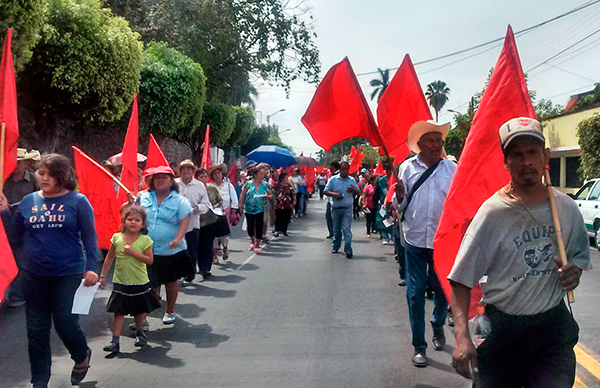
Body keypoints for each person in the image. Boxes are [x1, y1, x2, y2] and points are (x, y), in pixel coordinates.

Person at [449, 117, 590, 387]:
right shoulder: (492, 214)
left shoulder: (566, 209)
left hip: (552, 330)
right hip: (504, 331)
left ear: (545, 156)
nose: (526, 162)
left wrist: (574, 273)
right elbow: (460, 280)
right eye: (517, 154)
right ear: (506, 162)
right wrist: (461, 336)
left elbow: (578, 261)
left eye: (532, 153)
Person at [0, 154, 98, 387]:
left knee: (65, 322)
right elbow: (14, 237)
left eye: (49, 174)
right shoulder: (28, 201)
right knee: (36, 331)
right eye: (41, 173)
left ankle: (81, 355)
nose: (43, 178)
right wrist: (4, 211)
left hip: (68, 273)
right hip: (33, 274)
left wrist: (92, 268)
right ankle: (40, 381)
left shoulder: (78, 202)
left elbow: (90, 239)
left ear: (62, 176)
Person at [393, 120, 455, 367]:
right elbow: (399, 206)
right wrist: (398, 196)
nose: (436, 145)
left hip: (443, 241)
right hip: (415, 239)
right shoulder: (407, 169)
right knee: (415, 293)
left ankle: (438, 323)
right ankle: (419, 346)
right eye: (430, 141)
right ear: (419, 145)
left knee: (442, 291)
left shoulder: (452, 168)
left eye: (439, 141)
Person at [99, 205, 160, 353]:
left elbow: (149, 260)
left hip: (139, 281)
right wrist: (103, 275)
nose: (133, 222)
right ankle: (115, 340)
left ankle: (140, 333)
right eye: (130, 219)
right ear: (124, 221)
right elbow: (109, 257)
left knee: (139, 310)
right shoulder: (117, 238)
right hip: (120, 281)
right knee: (118, 311)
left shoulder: (145, 240)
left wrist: (133, 252)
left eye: (137, 220)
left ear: (143, 224)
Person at [140, 166, 193, 325]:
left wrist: (178, 238)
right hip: (147, 249)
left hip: (171, 250)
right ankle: (142, 318)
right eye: (157, 178)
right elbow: (136, 216)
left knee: (170, 282)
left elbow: (185, 221)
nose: (160, 180)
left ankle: (170, 311)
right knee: (145, 283)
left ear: (171, 181)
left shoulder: (180, 201)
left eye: (164, 177)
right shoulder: (144, 198)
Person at [2, 148, 40, 307]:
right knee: (4, 258)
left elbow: (41, 200)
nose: (16, 166)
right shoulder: (2, 179)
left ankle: (17, 294)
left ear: (26, 163)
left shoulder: (34, 180)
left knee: (22, 259)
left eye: (19, 162)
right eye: (13, 162)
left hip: (25, 225)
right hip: (3, 224)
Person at [176, 160, 210, 284]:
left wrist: (197, 208)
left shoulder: (199, 185)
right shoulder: (173, 184)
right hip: (175, 224)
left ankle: (189, 275)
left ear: (193, 172)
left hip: (192, 224)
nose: (186, 171)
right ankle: (180, 272)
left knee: (191, 250)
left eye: (189, 169)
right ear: (180, 171)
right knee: (177, 250)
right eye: (183, 169)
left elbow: (206, 204)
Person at [324, 161, 360, 259]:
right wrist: (335, 195)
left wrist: (354, 191)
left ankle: (348, 249)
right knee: (336, 229)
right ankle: (336, 246)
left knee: (346, 229)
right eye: (343, 169)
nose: (344, 171)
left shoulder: (351, 180)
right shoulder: (333, 180)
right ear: (340, 169)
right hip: (335, 208)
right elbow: (325, 191)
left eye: (346, 169)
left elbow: (358, 192)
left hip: (347, 208)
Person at [209, 163, 239, 261]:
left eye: (218, 173)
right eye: (214, 174)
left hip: (225, 213)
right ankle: (214, 256)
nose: (217, 175)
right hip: (212, 213)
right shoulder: (209, 187)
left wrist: (233, 213)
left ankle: (225, 249)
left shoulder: (228, 186)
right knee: (213, 235)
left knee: (224, 235)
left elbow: (234, 200)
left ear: (222, 174)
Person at [239, 167, 272, 254]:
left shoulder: (265, 185)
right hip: (248, 209)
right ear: (255, 175)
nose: (263, 175)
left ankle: (257, 245)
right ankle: (252, 240)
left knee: (259, 226)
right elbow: (242, 195)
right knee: (250, 227)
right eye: (261, 173)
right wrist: (240, 206)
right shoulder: (248, 184)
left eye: (263, 174)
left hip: (260, 208)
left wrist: (267, 197)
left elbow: (271, 195)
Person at [195, 168, 221, 274]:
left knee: (207, 244)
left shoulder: (212, 188)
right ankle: (198, 265)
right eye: (201, 177)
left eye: (205, 176)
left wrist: (214, 206)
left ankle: (206, 268)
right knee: (197, 245)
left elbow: (220, 200)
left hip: (210, 220)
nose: (204, 179)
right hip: (196, 221)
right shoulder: (193, 189)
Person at [273, 169, 296, 237]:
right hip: (278, 204)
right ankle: (277, 230)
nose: (287, 179)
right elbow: (273, 192)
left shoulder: (289, 186)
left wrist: (294, 200)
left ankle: (284, 230)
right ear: (282, 179)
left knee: (286, 218)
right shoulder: (277, 185)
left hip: (287, 204)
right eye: (286, 178)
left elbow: (293, 193)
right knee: (278, 217)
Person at [325, 161, 340, 239]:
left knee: (334, 217)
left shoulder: (337, 176)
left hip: (335, 199)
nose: (329, 168)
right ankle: (332, 232)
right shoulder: (331, 176)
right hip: (329, 199)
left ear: (334, 167)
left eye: (330, 166)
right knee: (328, 216)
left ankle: (335, 232)